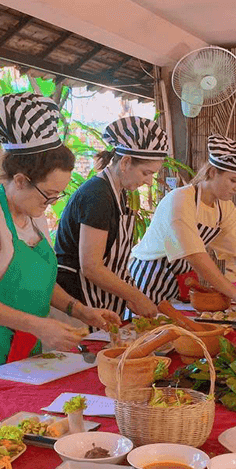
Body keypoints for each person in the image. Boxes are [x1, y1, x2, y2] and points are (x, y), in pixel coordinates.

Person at [0, 92, 119, 392]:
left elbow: (39, 282)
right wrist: (37, 324)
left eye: (58, 195)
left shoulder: (32, 213)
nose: (51, 202)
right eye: (48, 194)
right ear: (20, 180)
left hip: (20, 342)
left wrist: (80, 311)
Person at [128, 134, 236, 313]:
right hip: (149, 277)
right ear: (212, 172)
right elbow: (196, 258)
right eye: (233, 180)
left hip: (179, 279)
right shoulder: (180, 200)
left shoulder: (225, 208)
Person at [55, 117, 168, 320]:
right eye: (146, 172)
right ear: (125, 162)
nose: (149, 181)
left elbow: (114, 260)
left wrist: (131, 296)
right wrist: (137, 296)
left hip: (99, 301)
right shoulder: (97, 195)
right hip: (76, 300)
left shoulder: (119, 192)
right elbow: (91, 267)